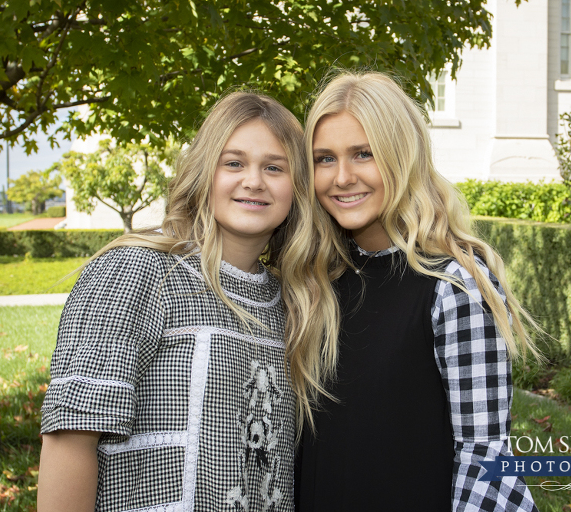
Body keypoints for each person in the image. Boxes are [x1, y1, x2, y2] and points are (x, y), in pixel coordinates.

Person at [38, 91, 333, 512]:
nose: (254, 181)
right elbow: (70, 437)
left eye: (274, 168)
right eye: (233, 163)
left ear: (297, 188)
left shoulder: (292, 305)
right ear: (203, 172)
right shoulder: (137, 271)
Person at [293, 71, 542, 511]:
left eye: (363, 154)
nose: (342, 177)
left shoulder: (454, 284)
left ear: (402, 156)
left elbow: (484, 455)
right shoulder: (314, 280)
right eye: (324, 159)